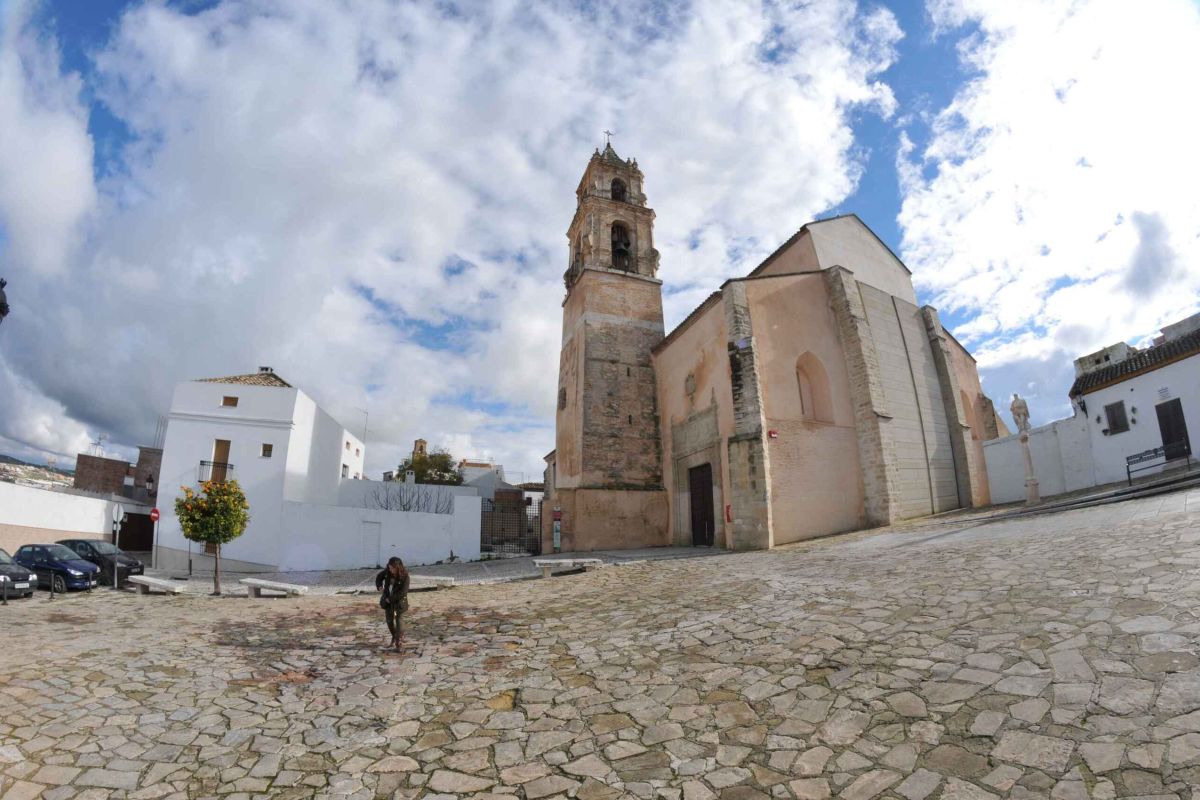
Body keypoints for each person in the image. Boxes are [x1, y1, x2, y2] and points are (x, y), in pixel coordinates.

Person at [375, 557, 410, 651]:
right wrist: (379, 586)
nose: (390, 570)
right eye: (389, 567)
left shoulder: (405, 576)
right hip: (387, 602)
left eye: (392, 568)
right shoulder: (387, 571)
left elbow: (403, 592)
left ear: (398, 567)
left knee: (399, 620)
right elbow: (379, 577)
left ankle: (398, 643)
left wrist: (390, 599)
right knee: (389, 621)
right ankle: (395, 636)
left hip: (399, 602)